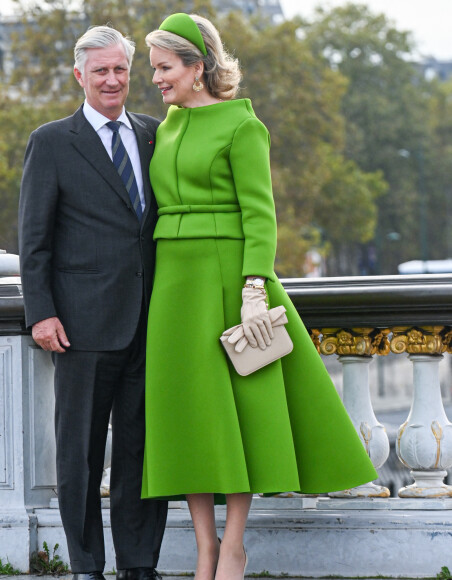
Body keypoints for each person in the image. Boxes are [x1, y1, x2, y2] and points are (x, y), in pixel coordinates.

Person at [142, 13, 378, 580]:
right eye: (153, 69)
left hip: (228, 279)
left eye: (164, 67)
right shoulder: (164, 127)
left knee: (241, 413)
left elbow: (261, 215)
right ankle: (204, 547)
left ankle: (233, 548)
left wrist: (254, 287)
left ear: (197, 67)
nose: (154, 78)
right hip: (173, 283)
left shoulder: (243, 126)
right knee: (188, 417)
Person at [18, 25, 167, 580]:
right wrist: (41, 311)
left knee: (142, 452)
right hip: (79, 326)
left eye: (120, 69)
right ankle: (86, 566)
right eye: (100, 70)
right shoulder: (53, 141)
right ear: (79, 76)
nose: (111, 79)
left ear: (132, 74)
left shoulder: (157, 135)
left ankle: (138, 565)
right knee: (79, 456)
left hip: (151, 322)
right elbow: (34, 239)